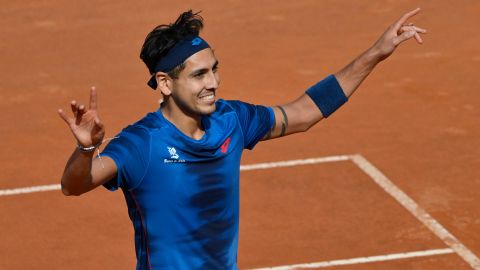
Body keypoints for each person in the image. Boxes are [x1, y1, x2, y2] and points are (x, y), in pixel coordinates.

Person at [58, 9, 426, 270]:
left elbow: (304, 112)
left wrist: (376, 53)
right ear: (166, 83)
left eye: (215, 69)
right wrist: (87, 148)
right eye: (199, 75)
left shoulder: (232, 120)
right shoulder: (143, 143)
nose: (213, 83)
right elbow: (75, 185)